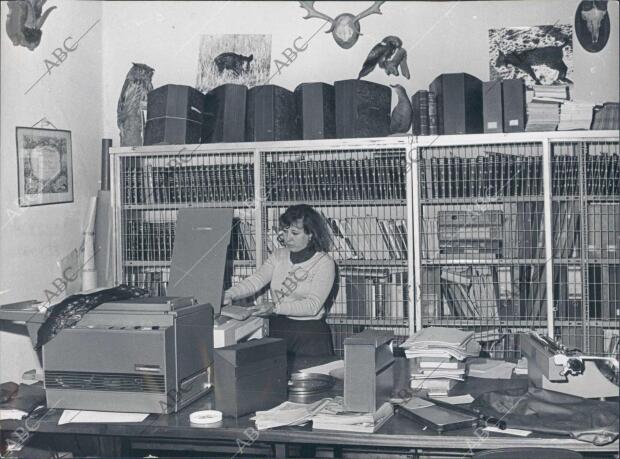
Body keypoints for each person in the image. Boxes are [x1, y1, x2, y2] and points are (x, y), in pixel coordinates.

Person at [222, 204, 336, 359]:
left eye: (295, 233)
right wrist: (228, 295)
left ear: (311, 235)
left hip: (310, 334)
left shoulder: (325, 263)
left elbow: (312, 306)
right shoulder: (278, 255)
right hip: (278, 327)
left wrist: (275, 307)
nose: (287, 238)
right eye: (285, 231)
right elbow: (255, 281)